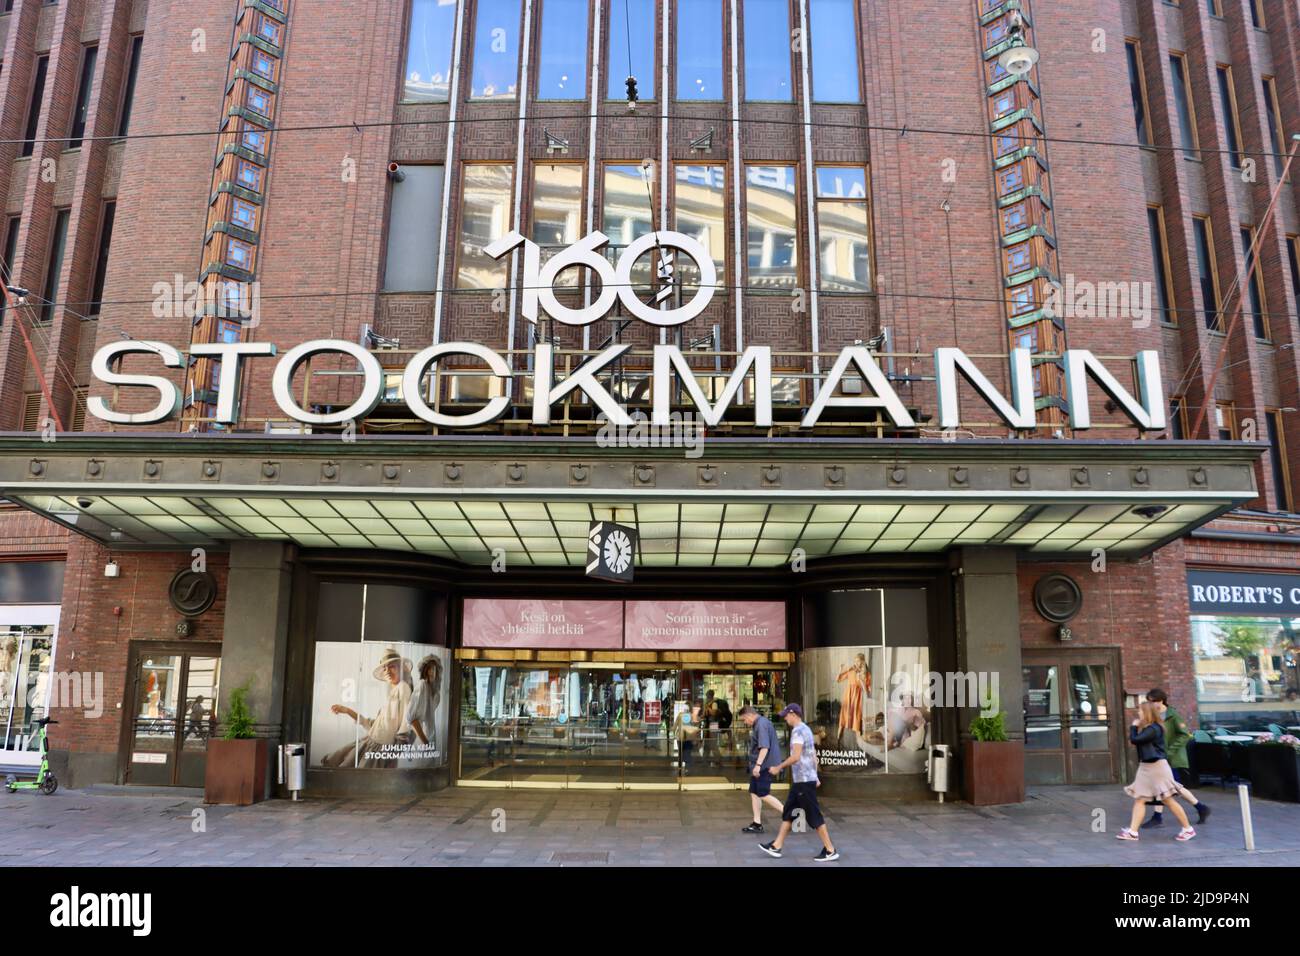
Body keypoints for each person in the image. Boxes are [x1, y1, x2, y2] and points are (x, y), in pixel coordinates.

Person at [758, 704, 839, 861]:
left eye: (786, 715)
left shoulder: (797, 731)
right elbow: (812, 754)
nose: (785, 718)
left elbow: (796, 757)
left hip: (803, 781)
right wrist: (815, 776)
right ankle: (776, 846)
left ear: (793, 714)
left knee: (814, 816)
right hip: (803, 780)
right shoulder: (806, 729)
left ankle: (830, 850)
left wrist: (778, 767)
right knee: (789, 813)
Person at [1116, 701, 1196, 842]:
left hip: (1156, 767)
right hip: (1147, 766)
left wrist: (1133, 726)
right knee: (1140, 798)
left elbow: (1135, 740)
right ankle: (1133, 832)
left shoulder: (1154, 728)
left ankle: (1188, 829)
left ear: (1147, 713)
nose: (1138, 713)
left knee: (1167, 799)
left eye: (1141, 711)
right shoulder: (1150, 728)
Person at [321, 647, 412, 769]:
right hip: (370, 744)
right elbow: (374, 726)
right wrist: (347, 711)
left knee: (353, 775)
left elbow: (405, 726)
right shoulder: (395, 691)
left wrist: (393, 755)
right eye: (385, 668)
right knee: (344, 767)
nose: (387, 671)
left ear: (400, 668)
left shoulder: (403, 688)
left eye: (392, 667)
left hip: (379, 751)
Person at [1141, 688, 1210, 828]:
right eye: (1149, 701)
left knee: (1172, 787)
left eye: (1152, 701)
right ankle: (1199, 808)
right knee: (1164, 787)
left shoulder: (1173, 715)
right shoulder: (1153, 715)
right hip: (1159, 757)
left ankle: (1199, 808)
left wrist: (1169, 751)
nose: (1150, 704)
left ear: (1161, 701)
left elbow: (1185, 735)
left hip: (1171, 758)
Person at [739, 705, 784, 833]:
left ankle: (789, 813)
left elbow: (764, 747)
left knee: (763, 793)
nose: (745, 722)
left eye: (744, 719)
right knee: (754, 792)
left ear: (749, 715)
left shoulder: (761, 724)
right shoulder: (759, 724)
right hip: (760, 765)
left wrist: (758, 766)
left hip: (764, 766)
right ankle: (757, 823)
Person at [836, 653, 871, 745]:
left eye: (858, 661)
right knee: (843, 719)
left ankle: (860, 746)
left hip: (857, 699)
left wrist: (861, 679)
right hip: (848, 696)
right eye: (855, 661)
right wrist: (840, 669)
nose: (856, 663)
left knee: (857, 720)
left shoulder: (866, 674)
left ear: (862, 662)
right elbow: (838, 679)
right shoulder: (851, 670)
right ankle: (838, 741)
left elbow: (867, 692)